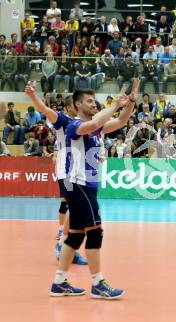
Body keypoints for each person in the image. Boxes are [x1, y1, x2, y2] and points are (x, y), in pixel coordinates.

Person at [49, 80, 140, 299]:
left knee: (75, 236)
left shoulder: (98, 126)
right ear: (77, 104)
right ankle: (98, 283)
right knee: (95, 232)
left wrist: (130, 104)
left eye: (93, 100)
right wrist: (116, 104)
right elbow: (92, 125)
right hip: (78, 183)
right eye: (89, 101)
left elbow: (121, 121)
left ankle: (59, 282)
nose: (93, 103)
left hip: (87, 185)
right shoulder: (74, 125)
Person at [25, 84, 88, 265]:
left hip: (78, 171)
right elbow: (44, 109)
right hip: (66, 172)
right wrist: (33, 96)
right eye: (78, 104)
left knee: (78, 209)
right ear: (70, 107)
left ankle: (68, 248)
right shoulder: (62, 120)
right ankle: (63, 246)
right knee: (75, 207)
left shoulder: (82, 123)